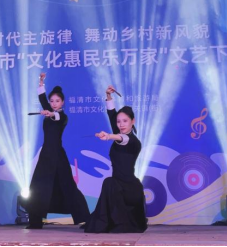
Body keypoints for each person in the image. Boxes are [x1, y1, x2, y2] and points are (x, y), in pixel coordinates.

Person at [23, 72, 90, 229]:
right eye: (52, 101)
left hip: (58, 155)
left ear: (62, 102)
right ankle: (35, 221)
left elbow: (56, 117)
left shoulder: (63, 116)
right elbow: (42, 98)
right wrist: (41, 82)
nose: (54, 104)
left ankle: (85, 218)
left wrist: (50, 113)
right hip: (46, 155)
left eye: (57, 101)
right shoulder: (48, 110)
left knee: (68, 186)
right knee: (38, 186)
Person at [84, 85, 147, 233]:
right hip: (117, 186)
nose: (121, 124)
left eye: (125, 121)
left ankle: (116, 223)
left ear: (133, 121)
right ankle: (107, 222)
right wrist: (108, 96)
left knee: (109, 182)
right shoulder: (119, 131)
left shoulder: (133, 141)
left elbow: (122, 138)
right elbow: (112, 114)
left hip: (130, 189)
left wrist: (108, 136)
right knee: (110, 183)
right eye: (119, 122)